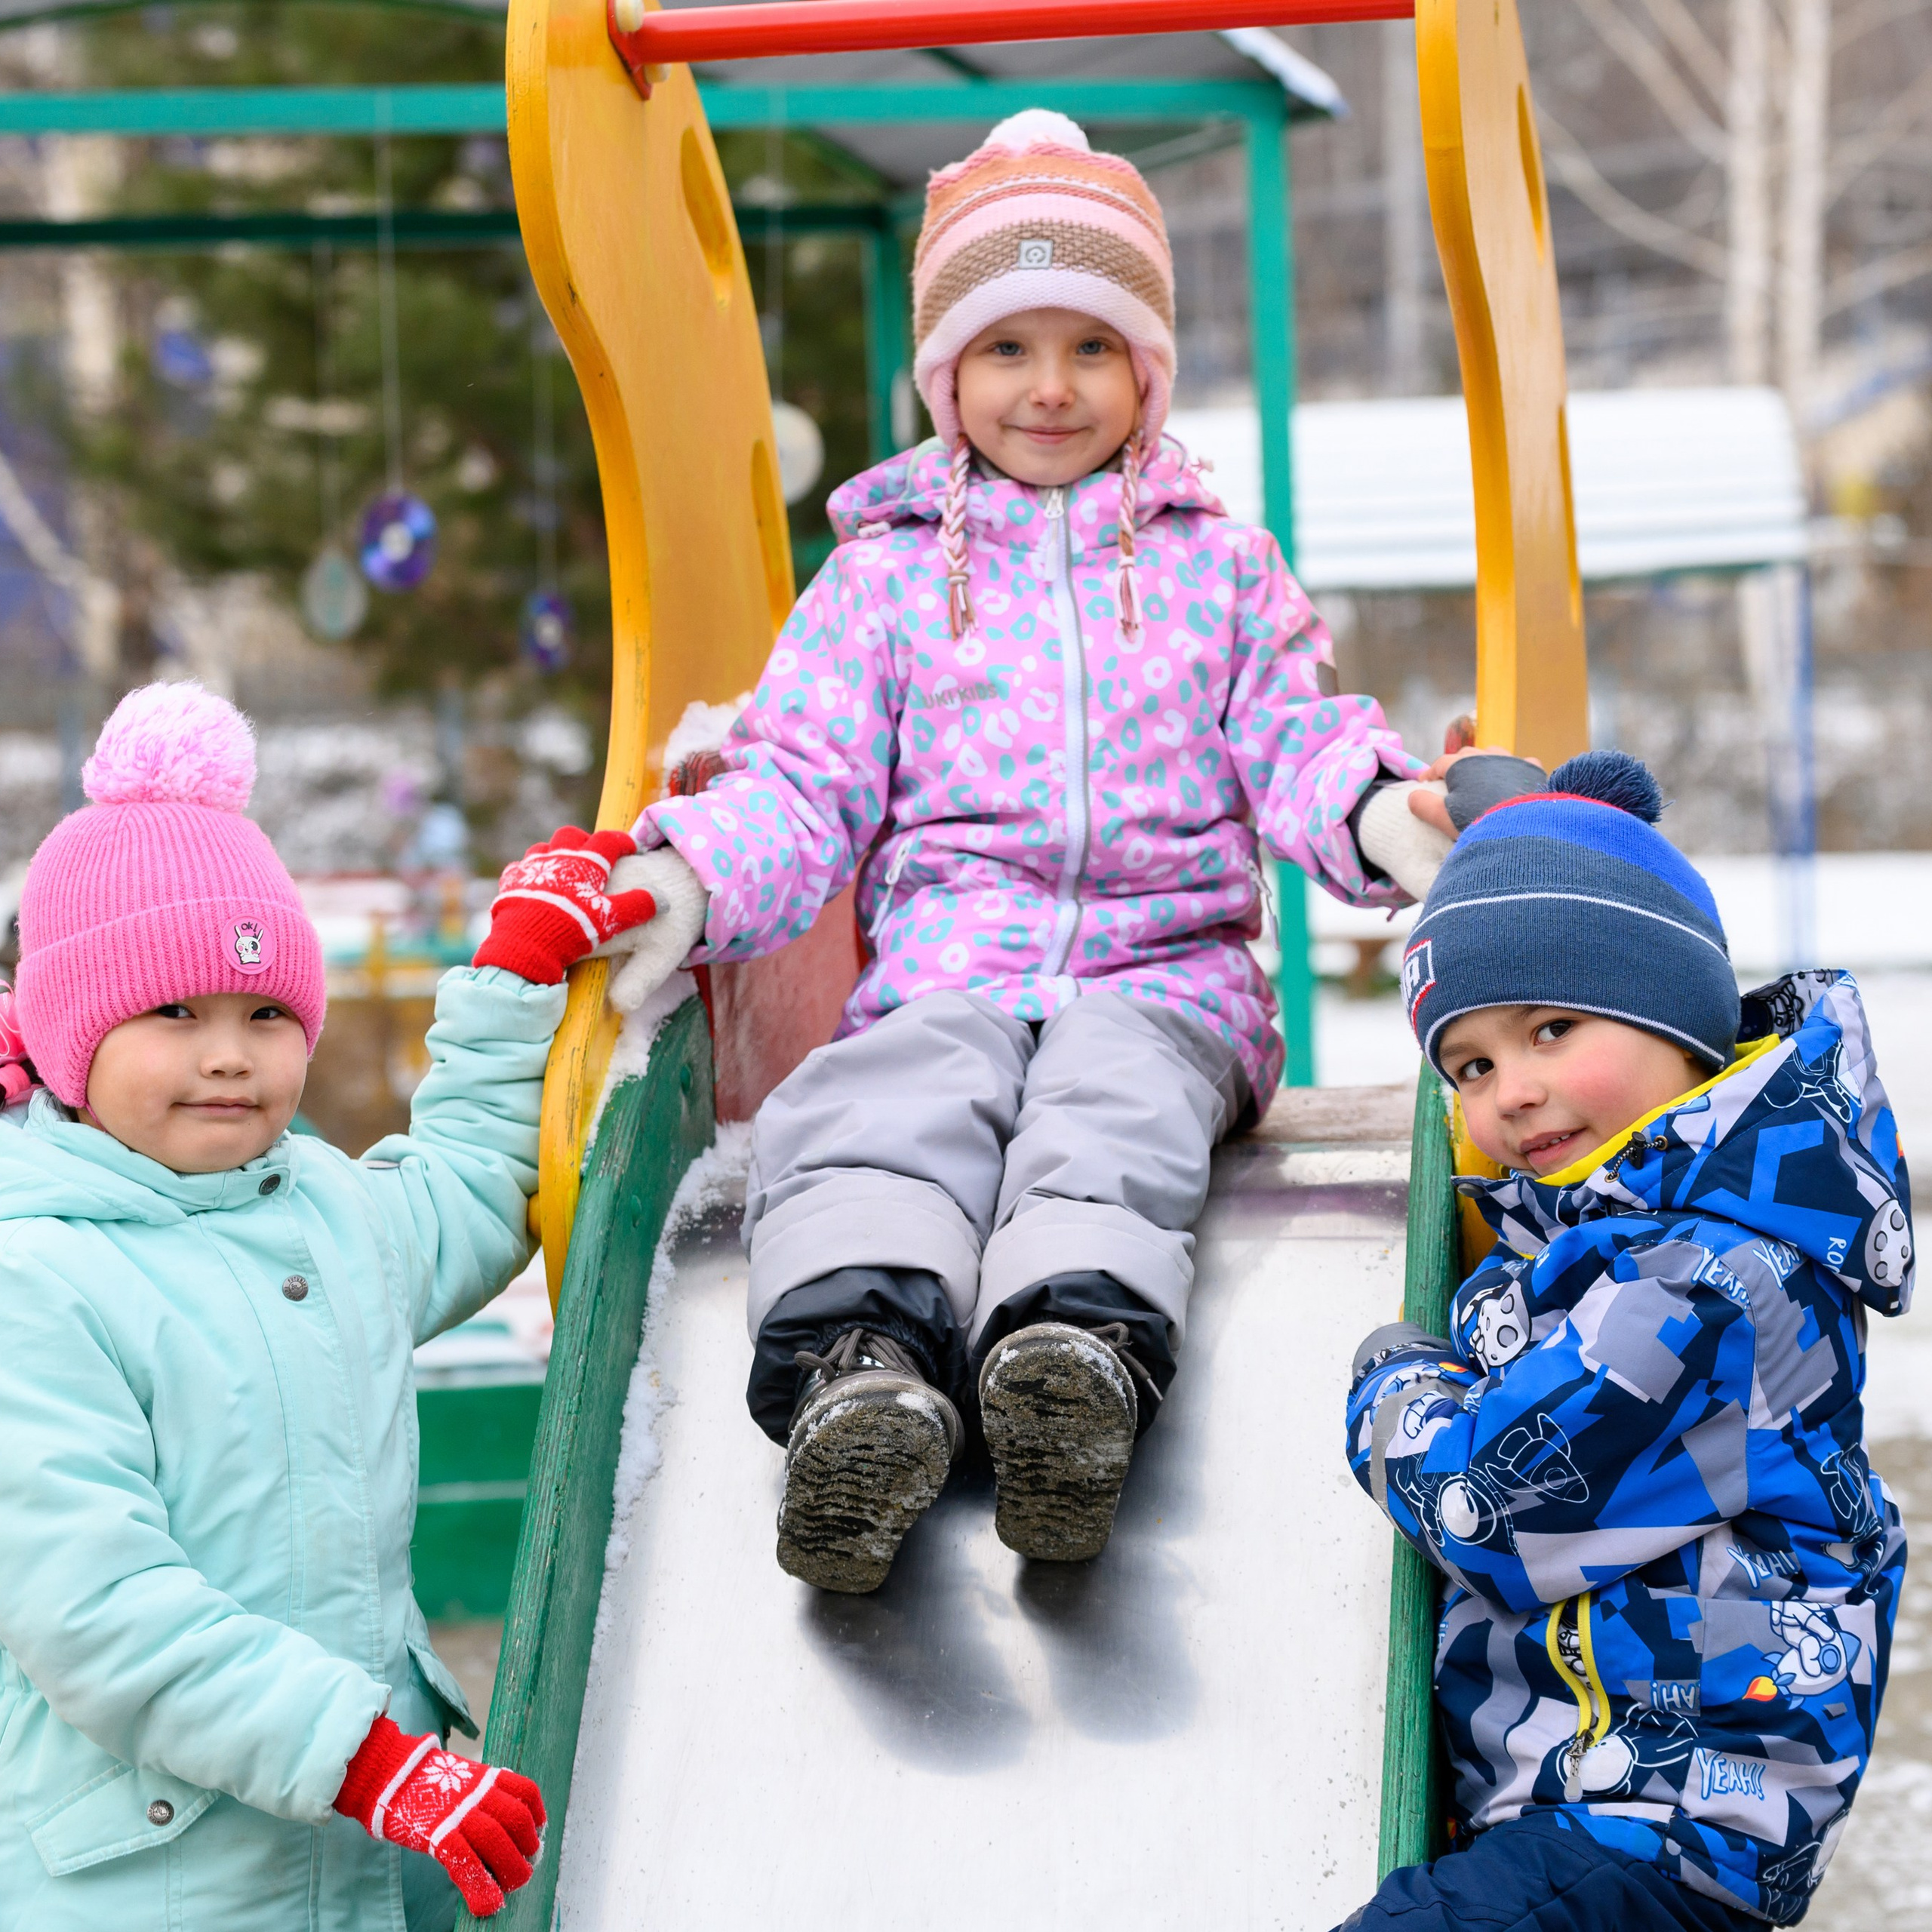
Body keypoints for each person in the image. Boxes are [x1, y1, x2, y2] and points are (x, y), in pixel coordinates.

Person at [595, 107, 1472, 1595]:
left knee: (1110, 1109)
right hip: (943, 963)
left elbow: (1295, 742)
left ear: (1148, 366)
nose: (1050, 387)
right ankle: (857, 1372)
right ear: (944, 374)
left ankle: (1072, 1361)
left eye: (1091, 345)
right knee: (875, 1103)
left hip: (1164, 974)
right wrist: (681, 879)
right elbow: (798, 784)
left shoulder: (1217, 564)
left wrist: (1392, 816)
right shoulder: (877, 580)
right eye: (1006, 348)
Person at [0, 680, 662, 1928]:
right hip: (155, 1880)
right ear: (70, 1035)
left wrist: (516, 979)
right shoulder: (37, 1277)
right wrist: (369, 1760)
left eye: (266, 1012)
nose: (230, 1054)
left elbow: (468, 1187)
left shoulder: (321, 1213)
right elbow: (98, 1611)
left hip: (352, 1857)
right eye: (173, 1014)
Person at [1340, 749, 1909, 1932]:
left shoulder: (1716, 1281)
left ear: (1681, 1021)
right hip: (1588, 1807)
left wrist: (1395, 1387)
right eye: (1473, 1064)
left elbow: (1493, 1508)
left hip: (1668, 1822)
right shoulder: (1603, 1246)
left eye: (1552, 1029)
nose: (1512, 1092)